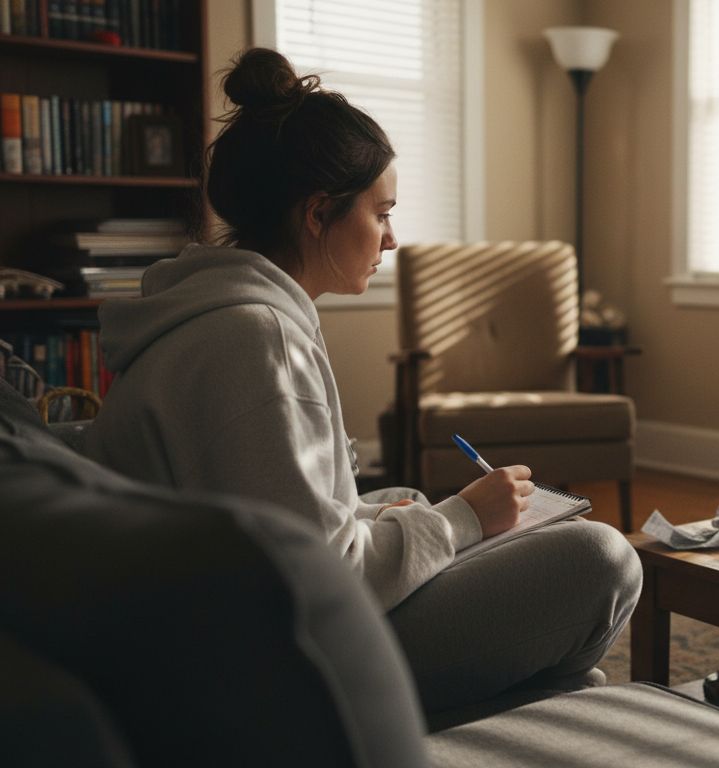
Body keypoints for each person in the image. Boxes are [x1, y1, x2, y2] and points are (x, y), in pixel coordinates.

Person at [83, 48, 642, 715]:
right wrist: (463, 519)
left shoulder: (213, 316)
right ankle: (531, 703)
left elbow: (281, 521)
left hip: (235, 636)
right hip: (275, 671)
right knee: (601, 559)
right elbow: (322, 579)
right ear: (318, 214)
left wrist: (411, 518)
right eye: (380, 214)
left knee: (416, 504)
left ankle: (538, 699)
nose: (392, 240)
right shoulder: (257, 340)